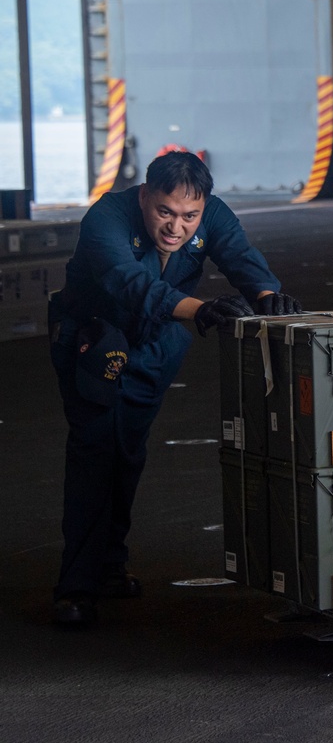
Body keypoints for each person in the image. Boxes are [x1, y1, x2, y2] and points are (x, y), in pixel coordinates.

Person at [48, 151, 302, 625]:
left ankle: (110, 565)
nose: (176, 227)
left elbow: (240, 257)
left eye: (189, 216)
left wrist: (269, 295)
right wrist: (200, 310)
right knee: (94, 451)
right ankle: (76, 587)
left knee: (128, 453)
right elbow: (129, 283)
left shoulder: (213, 213)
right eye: (165, 211)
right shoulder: (106, 217)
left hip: (154, 343)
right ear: (145, 196)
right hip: (94, 339)